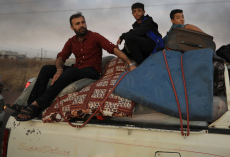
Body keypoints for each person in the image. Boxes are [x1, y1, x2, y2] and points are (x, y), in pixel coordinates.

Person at [7, 12, 136, 121]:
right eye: (78, 24)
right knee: (46, 69)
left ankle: (37, 105)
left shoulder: (95, 36)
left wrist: (129, 63)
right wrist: (59, 69)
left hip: (92, 71)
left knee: (69, 73)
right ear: (72, 27)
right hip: (77, 70)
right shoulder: (71, 41)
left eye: (83, 22)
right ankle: (30, 105)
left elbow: (112, 48)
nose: (81, 25)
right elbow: (60, 57)